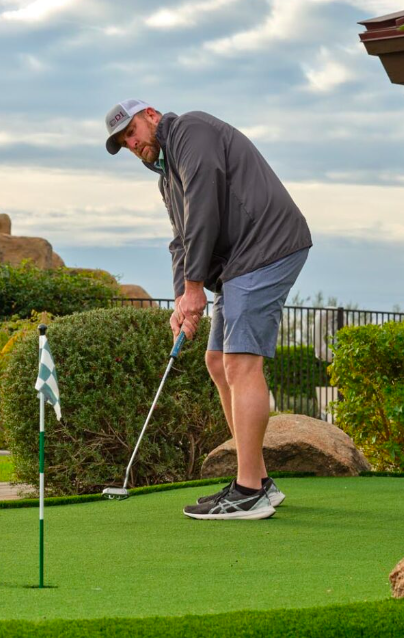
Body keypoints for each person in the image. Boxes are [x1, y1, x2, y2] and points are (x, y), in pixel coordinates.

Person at [104, 99, 312, 521]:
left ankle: (248, 491)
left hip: (266, 247)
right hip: (242, 261)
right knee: (217, 362)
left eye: (131, 132)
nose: (131, 144)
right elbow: (182, 240)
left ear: (151, 115)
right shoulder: (167, 177)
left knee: (240, 363)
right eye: (123, 142)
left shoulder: (191, 132)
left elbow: (203, 208)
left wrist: (197, 287)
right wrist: (184, 298)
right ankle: (259, 481)